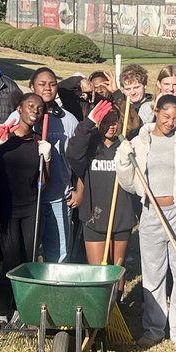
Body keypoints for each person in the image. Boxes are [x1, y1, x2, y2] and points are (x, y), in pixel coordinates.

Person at [116, 95, 176, 352]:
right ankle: (154, 329)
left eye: (175, 118)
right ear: (155, 111)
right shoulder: (140, 142)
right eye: (166, 116)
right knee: (153, 274)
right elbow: (129, 184)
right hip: (151, 214)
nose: (170, 122)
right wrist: (123, 161)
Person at [0, 94, 50, 337]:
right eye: (30, 106)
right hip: (6, 208)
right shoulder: (4, 137)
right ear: (19, 109)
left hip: (31, 207)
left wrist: (48, 158)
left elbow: (43, 182)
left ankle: (21, 312)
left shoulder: (39, 142)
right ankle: (1, 316)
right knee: (10, 262)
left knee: (28, 260)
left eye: (40, 108)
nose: (35, 110)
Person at [67, 98, 135, 268]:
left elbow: (136, 124)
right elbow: (73, 155)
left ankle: (118, 289)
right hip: (94, 216)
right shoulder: (90, 146)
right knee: (98, 271)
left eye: (114, 122)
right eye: (105, 122)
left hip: (120, 216)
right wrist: (88, 123)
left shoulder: (125, 146)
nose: (111, 126)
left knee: (117, 271)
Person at [30, 67, 80, 263]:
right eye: (42, 84)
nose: (47, 88)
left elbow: (79, 159)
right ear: (32, 87)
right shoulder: (21, 117)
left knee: (59, 254)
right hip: (29, 199)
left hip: (59, 196)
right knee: (28, 252)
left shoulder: (69, 120)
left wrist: (79, 190)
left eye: (52, 84)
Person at [116, 63, 152, 135]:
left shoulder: (153, 105)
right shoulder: (118, 104)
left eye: (136, 87)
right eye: (128, 89)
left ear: (145, 85)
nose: (132, 93)